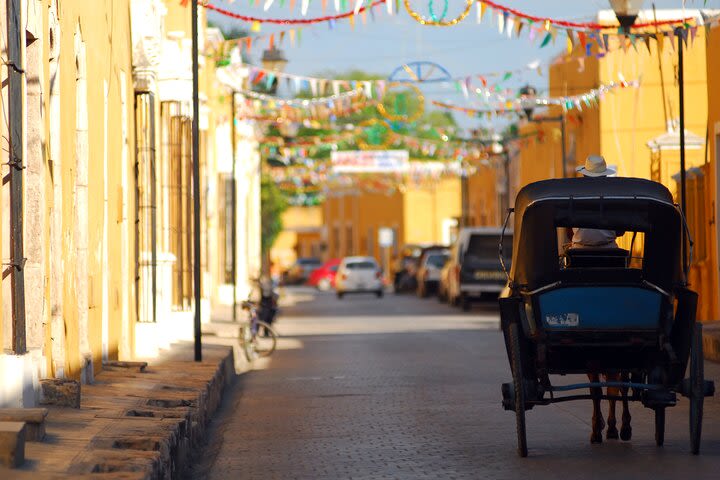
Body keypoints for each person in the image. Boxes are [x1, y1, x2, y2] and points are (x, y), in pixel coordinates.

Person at [567, 155, 620, 249]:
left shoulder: (574, 196)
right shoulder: (614, 196)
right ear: (605, 175)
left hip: (579, 251)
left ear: (584, 175)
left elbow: (568, 231)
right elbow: (620, 231)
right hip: (609, 251)